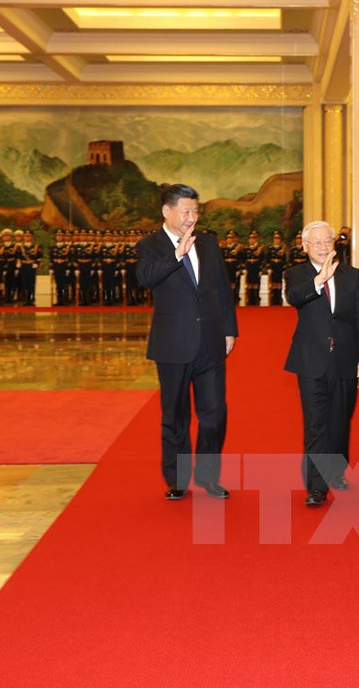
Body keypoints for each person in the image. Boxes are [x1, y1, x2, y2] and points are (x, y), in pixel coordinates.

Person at [136, 184, 238, 501]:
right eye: (186, 211)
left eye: (196, 211)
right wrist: (175, 255)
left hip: (210, 342)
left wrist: (229, 330)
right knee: (175, 415)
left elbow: (222, 288)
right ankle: (177, 479)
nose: (192, 217)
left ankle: (209, 477)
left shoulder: (208, 243)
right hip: (173, 344)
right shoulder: (149, 246)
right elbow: (145, 278)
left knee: (214, 414)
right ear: (167, 212)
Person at [284, 221, 359, 507]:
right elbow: (294, 297)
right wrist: (318, 281)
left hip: (345, 359)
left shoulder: (352, 275)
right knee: (315, 424)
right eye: (317, 243)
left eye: (327, 242)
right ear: (305, 246)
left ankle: (336, 470)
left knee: (339, 420)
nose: (323, 247)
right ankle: (316, 485)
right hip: (311, 361)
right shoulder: (295, 275)